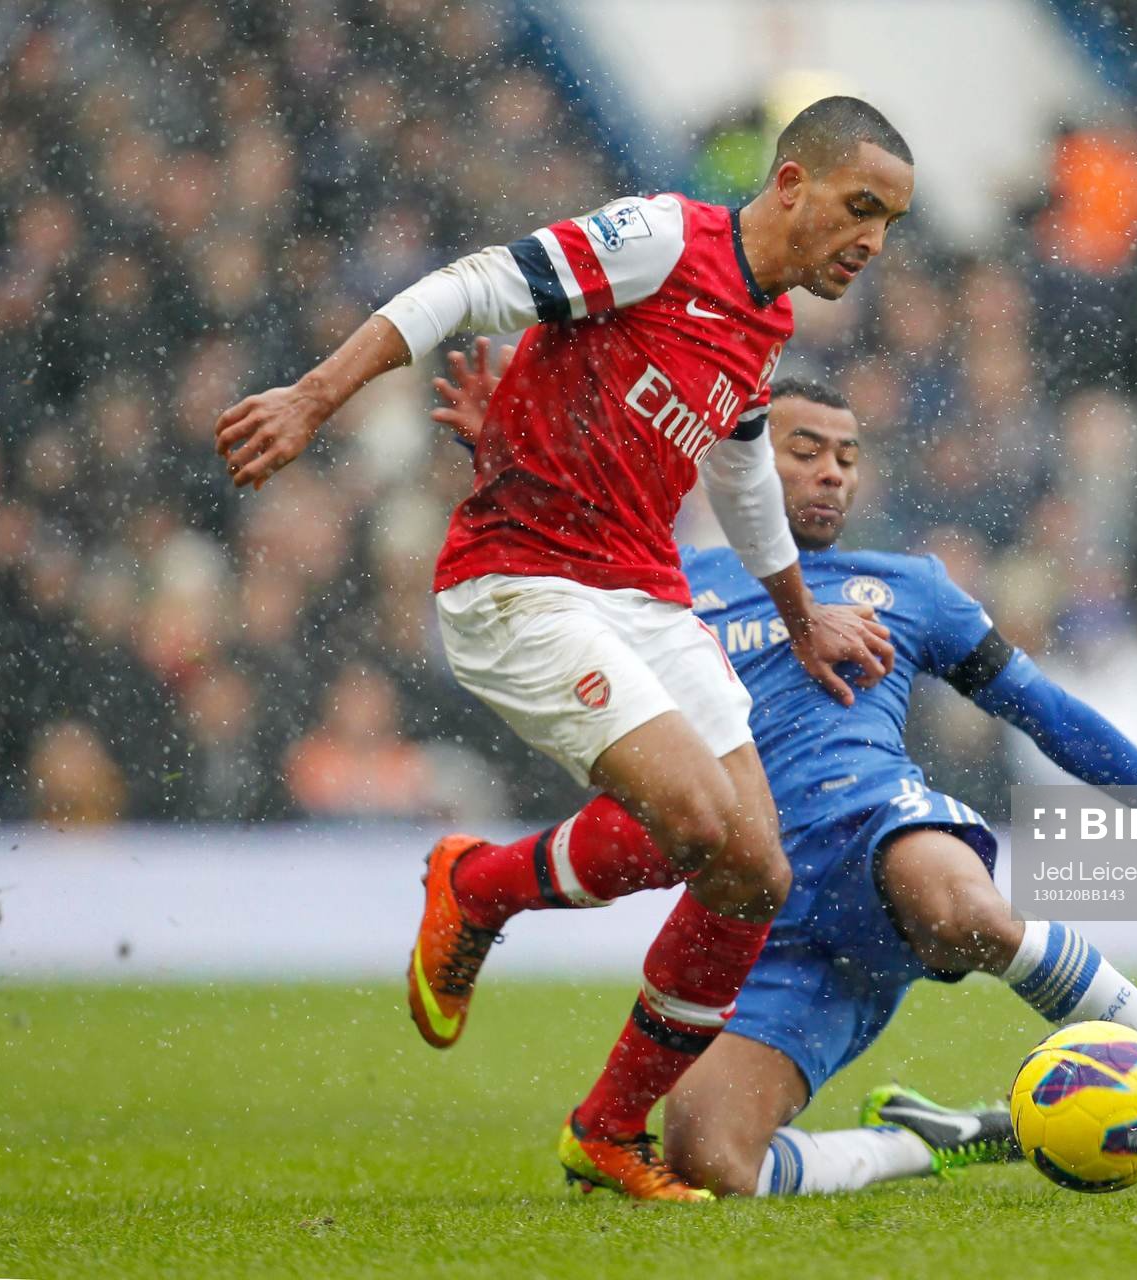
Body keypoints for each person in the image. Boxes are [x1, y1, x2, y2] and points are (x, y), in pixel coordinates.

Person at [435, 353, 1137, 1198]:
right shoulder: (672, 580)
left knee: (965, 912)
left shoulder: (905, 586)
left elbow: (1049, 716)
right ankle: (938, 1139)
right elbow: (549, 585)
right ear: (741, 463)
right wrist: (512, 474)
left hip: (877, 831)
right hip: (763, 919)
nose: (832, 470)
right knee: (708, 1162)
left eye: (846, 455)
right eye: (804, 450)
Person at [214, 97, 913, 1201]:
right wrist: (316, 397)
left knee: (756, 872)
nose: (873, 241)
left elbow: (736, 474)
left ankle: (605, 1128)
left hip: (641, 591)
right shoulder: (664, 240)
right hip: (521, 582)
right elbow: (471, 285)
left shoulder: (766, 327)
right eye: (859, 206)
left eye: (890, 223)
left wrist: (797, 614)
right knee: (694, 820)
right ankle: (481, 886)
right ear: (789, 184)